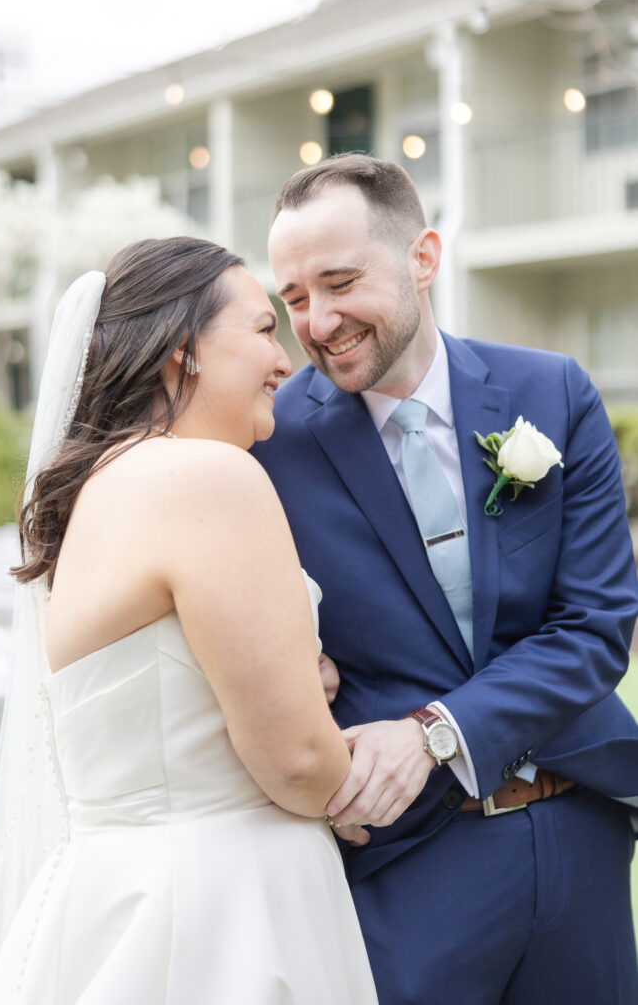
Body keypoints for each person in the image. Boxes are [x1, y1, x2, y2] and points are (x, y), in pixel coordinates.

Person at [253, 154, 638, 1005]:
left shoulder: (552, 391)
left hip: (577, 826)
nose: (316, 321)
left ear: (422, 258)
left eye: (339, 281)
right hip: (408, 861)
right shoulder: (268, 445)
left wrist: (434, 730)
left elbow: (596, 623)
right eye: (294, 299)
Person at [0, 237, 379, 1005]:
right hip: (222, 911)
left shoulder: (102, 485)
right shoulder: (207, 476)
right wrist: (345, 768)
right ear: (181, 352)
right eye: (261, 330)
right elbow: (292, 763)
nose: (286, 360)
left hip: (113, 897)